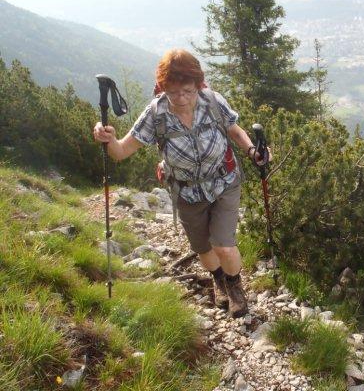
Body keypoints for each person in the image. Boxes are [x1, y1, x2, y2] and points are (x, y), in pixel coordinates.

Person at [93, 48, 268, 318]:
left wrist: (251, 150)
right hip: (186, 191)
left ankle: (235, 288)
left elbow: (234, 129)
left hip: (223, 182)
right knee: (203, 248)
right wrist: (109, 139)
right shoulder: (156, 113)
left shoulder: (212, 101)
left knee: (223, 244)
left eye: (188, 91)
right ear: (162, 88)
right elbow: (120, 152)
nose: (182, 98)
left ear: (198, 84)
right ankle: (218, 280)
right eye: (173, 92)